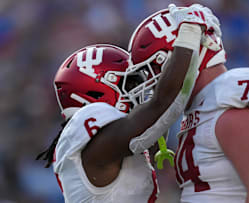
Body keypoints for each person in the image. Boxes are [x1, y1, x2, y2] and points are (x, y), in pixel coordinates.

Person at [128, 4, 249, 203]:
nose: (153, 83)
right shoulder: (202, 106)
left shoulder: (229, 94)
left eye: (155, 68)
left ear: (184, 55)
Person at [35, 14, 211, 202]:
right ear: (96, 91)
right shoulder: (90, 134)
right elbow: (159, 106)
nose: (136, 91)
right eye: (130, 83)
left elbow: (158, 120)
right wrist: (188, 35)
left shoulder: (103, 143)